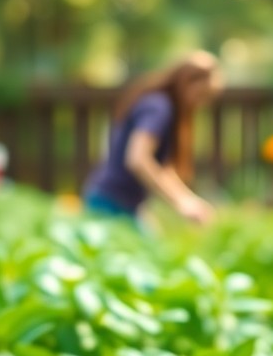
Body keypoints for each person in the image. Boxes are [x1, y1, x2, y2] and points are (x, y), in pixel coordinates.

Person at [82, 51, 223, 226]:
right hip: (110, 202)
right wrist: (181, 203)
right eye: (202, 95)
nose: (201, 104)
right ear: (188, 83)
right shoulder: (158, 108)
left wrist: (188, 199)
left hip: (126, 203)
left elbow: (162, 168)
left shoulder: (160, 105)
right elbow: (138, 159)